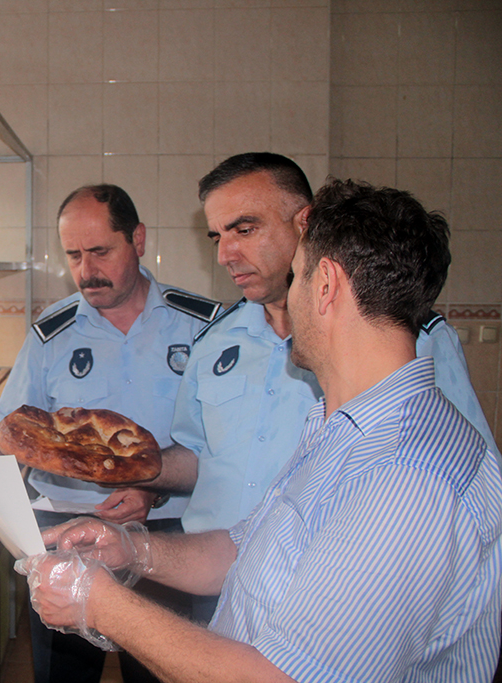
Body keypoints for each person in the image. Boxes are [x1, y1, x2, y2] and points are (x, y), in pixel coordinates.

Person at [17, 179, 502, 682]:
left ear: (326, 285)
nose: (284, 299)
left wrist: (100, 604)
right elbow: (248, 549)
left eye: (295, 277)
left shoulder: (406, 477)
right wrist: (132, 549)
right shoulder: (339, 428)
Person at [149, 153, 497, 621]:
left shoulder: (406, 336)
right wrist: (134, 470)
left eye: (244, 229)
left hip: (335, 597)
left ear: (305, 222)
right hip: (211, 583)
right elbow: (201, 455)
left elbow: (464, 477)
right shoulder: (214, 341)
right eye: (217, 236)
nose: (224, 254)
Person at [0, 184, 219, 683]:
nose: (85, 270)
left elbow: (218, 444)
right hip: (63, 529)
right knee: (63, 674)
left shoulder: (201, 327)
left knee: (161, 670)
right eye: (73, 255)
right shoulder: (50, 334)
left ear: (137, 239)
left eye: (100, 251)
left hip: (167, 534)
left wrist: (151, 492)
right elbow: (9, 433)